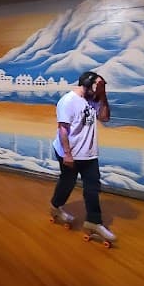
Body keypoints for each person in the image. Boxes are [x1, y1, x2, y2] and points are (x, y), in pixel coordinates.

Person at [49, 70, 116, 241]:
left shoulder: (94, 99)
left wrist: (103, 95)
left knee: (93, 188)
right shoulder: (68, 101)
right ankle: (55, 207)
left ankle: (94, 222)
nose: (98, 90)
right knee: (67, 183)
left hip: (89, 153)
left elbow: (105, 118)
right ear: (87, 85)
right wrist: (67, 155)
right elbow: (63, 130)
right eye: (97, 87)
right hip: (69, 151)